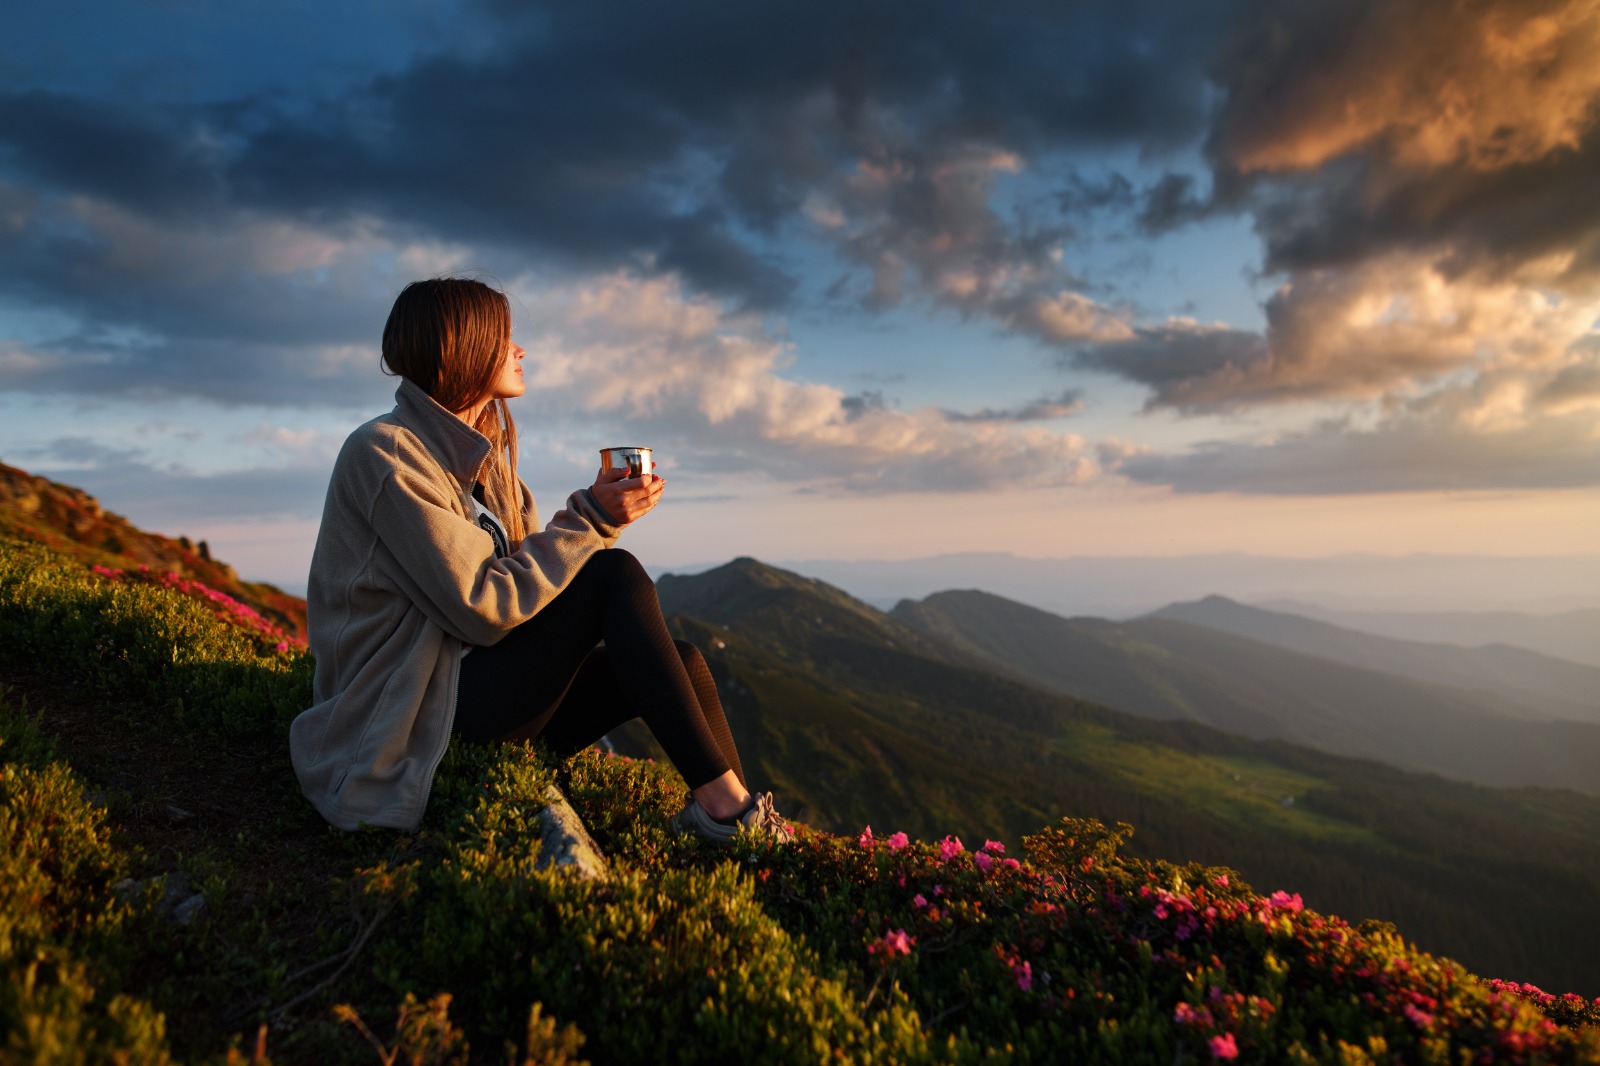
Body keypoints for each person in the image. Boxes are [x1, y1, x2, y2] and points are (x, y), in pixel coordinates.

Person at [289, 277, 788, 843]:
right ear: (465, 347)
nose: (520, 351)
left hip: (472, 694)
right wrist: (592, 521)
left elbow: (533, 591)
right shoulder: (384, 453)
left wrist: (598, 518)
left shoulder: (489, 463)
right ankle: (729, 815)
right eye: (506, 339)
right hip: (410, 721)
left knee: (684, 660)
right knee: (612, 574)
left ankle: (742, 830)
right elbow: (481, 606)